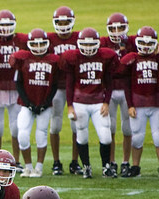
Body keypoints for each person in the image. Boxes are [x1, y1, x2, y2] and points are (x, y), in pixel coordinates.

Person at [61, 28, 119, 178]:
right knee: (82, 135)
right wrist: (70, 106)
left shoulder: (105, 57)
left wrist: (106, 102)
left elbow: (109, 82)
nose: (87, 48)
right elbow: (69, 83)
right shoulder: (73, 58)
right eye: (84, 45)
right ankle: (86, 167)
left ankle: (106, 166)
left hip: (99, 101)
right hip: (80, 102)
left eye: (91, 44)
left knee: (106, 135)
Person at [11, 28, 61, 177]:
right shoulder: (23, 59)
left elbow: (54, 85)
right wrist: (29, 103)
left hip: (44, 104)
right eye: (36, 44)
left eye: (41, 44)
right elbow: (18, 83)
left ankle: (38, 167)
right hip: (27, 104)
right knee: (23, 135)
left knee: (41, 134)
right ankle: (27, 167)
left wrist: (45, 103)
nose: (39, 47)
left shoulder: (53, 61)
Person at [0, 9, 27, 157]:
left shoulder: (22, 40)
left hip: (15, 87)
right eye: (2, 24)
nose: (5, 28)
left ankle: (17, 160)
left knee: (16, 127)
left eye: (8, 24)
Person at [100, 13, 136, 176]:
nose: (116, 31)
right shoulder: (102, 43)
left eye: (120, 27)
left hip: (128, 90)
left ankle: (126, 162)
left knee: (128, 129)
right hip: (110, 89)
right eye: (113, 28)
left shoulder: (134, 42)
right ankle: (112, 161)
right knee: (111, 127)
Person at [47, 6, 80, 176]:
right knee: (55, 125)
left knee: (77, 126)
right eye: (59, 22)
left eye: (66, 21)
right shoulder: (49, 39)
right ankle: (56, 161)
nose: (63, 25)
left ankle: (75, 161)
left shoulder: (79, 37)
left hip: (75, 88)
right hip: (57, 88)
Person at [122, 26, 159, 178]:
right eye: (142, 42)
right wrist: (130, 104)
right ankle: (135, 166)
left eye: (149, 43)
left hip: (156, 104)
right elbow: (127, 85)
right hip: (138, 103)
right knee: (137, 137)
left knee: (158, 137)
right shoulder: (132, 59)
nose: (145, 46)